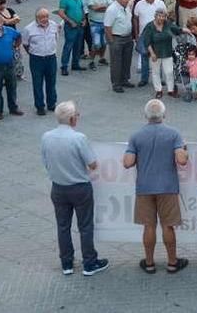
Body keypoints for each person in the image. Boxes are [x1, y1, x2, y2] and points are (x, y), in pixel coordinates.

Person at [41, 101, 109, 276]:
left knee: (62, 226)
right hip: (79, 187)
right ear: (72, 119)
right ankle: (89, 262)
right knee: (85, 226)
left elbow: (45, 162)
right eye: (76, 115)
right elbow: (92, 164)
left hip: (58, 187)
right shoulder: (78, 138)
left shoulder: (46, 136)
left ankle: (66, 263)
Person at [123, 99, 190, 274]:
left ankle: (150, 263)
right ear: (164, 115)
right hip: (167, 187)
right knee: (168, 226)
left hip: (145, 187)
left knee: (149, 226)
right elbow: (182, 160)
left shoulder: (136, 136)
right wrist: (184, 148)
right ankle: (172, 263)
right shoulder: (173, 134)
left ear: (146, 116)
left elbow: (128, 163)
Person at [142, 8, 187, 98]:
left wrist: (188, 30)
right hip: (155, 52)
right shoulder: (149, 26)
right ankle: (158, 90)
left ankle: (170, 90)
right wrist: (152, 54)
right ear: (155, 16)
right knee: (156, 72)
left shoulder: (168, 24)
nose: (161, 18)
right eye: (159, 16)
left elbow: (178, 30)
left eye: (163, 16)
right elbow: (147, 42)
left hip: (167, 51)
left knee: (169, 72)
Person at [22, 8, 59, 115]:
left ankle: (52, 103)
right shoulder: (29, 29)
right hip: (36, 59)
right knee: (37, 83)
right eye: (42, 17)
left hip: (51, 57)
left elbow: (55, 38)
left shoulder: (53, 25)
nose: (45, 19)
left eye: (46, 16)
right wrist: (33, 53)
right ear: (36, 18)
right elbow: (25, 44)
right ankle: (40, 106)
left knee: (51, 82)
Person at [133, 0, 167, 87]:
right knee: (144, 56)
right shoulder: (139, 4)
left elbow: (165, 18)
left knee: (158, 56)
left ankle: (159, 78)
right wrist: (136, 34)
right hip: (144, 34)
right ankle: (144, 79)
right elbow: (135, 19)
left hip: (157, 34)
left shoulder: (160, 4)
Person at [58, 0, 86, 76]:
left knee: (78, 46)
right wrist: (70, 21)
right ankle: (64, 66)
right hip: (70, 26)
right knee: (68, 46)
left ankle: (75, 63)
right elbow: (61, 12)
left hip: (79, 25)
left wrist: (84, 19)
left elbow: (82, 9)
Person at [86, 0, 111, 70]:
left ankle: (101, 58)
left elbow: (109, 7)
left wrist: (99, 7)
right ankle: (91, 61)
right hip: (94, 22)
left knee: (104, 43)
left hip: (105, 22)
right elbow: (93, 7)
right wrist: (103, 7)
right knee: (96, 43)